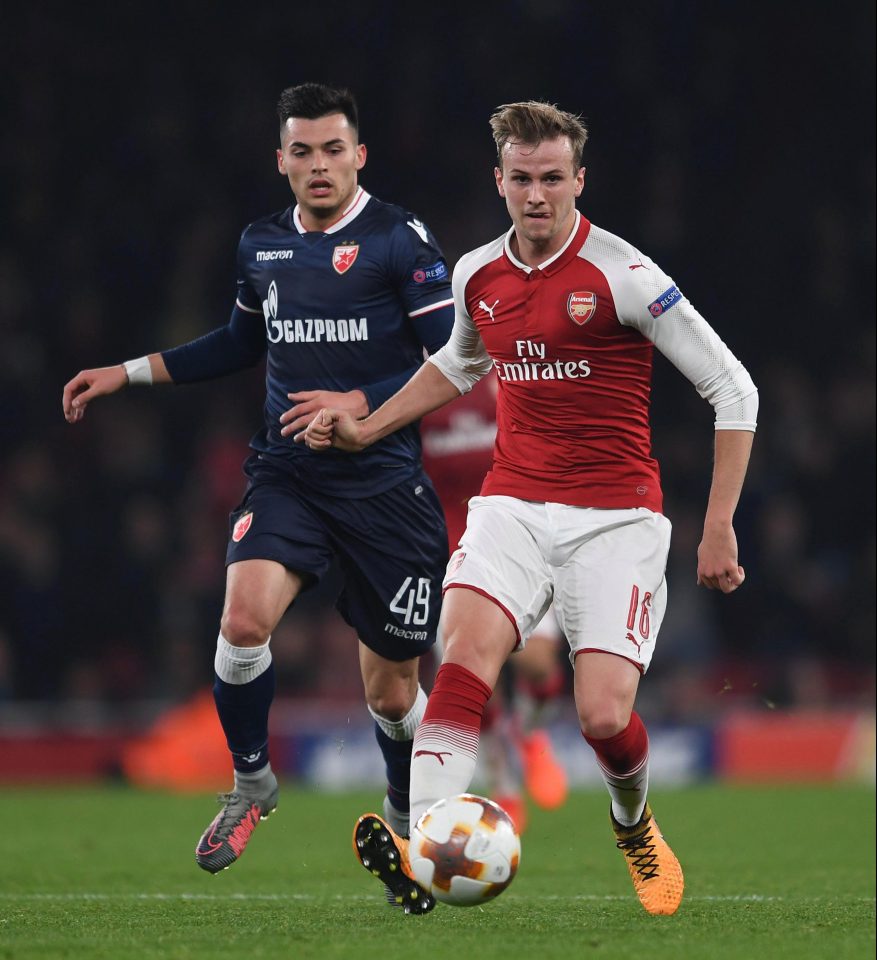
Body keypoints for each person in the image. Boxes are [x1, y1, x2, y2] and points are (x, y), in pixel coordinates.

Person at [297, 100, 758, 916]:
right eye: (521, 178)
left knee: (603, 716)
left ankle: (634, 826)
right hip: (510, 503)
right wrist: (367, 429)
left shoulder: (626, 275)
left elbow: (732, 387)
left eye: (552, 178)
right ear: (499, 182)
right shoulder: (478, 274)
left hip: (615, 518)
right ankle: (428, 845)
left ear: (579, 181)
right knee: (463, 656)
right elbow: (456, 365)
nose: (536, 194)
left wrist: (718, 522)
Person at [61, 82, 455, 878]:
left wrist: (360, 402)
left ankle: (406, 809)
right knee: (242, 622)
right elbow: (240, 342)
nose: (318, 165)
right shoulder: (260, 245)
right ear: (281, 160)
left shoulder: (400, 241)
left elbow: (455, 360)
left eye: (333, 149)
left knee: (389, 695)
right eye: (302, 151)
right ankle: (250, 780)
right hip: (291, 476)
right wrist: (126, 372)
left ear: (359, 156)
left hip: (383, 485)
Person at [420, 372, 569, 832]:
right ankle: (503, 785)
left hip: (519, 543)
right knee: (470, 679)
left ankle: (528, 730)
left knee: (541, 666)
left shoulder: (511, 379)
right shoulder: (424, 395)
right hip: (449, 555)